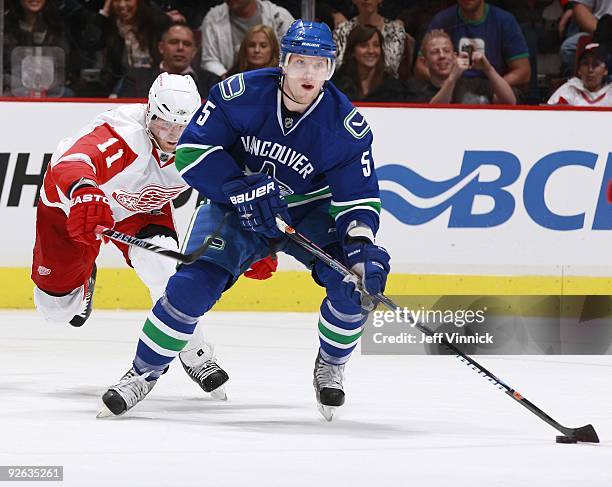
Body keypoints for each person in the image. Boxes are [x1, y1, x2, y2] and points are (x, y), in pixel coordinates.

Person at [99, 20, 391, 421]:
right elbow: (191, 153)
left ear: (330, 69)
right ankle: (143, 372)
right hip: (237, 205)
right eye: (300, 62)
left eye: (319, 64)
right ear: (284, 62)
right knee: (191, 286)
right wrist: (238, 186)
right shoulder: (239, 94)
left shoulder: (345, 128)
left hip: (308, 212)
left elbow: (357, 199)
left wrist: (361, 248)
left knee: (350, 286)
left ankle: (331, 364)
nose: (308, 73)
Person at [32, 73, 200, 329]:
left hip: (138, 204)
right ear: (150, 112)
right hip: (75, 205)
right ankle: (84, 277)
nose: (173, 135)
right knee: (56, 312)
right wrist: (84, 190)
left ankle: (179, 353)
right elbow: (71, 163)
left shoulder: (205, 138)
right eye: (165, 123)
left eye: (182, 125)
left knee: (163, 270)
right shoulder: (124, 132)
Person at [415, 0, 531, 91]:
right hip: (455, 84)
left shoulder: (505, 21)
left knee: (502, 96)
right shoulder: (442, 20)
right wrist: (445, 84)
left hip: (495, 84)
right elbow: (420, 66)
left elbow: (523, 71)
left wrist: (496, 84)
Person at [405, 29, 517, 104]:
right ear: (424, 62)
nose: (442, 56)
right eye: (435, 52)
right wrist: (453, 77)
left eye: (446, 50)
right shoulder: (415, 89)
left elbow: (510, 102)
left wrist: (488, 69)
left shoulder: (474, 85)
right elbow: (433, 116)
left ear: (454, 57)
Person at [82, 0, 170, 96]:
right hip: (123, 80)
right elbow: (90, 43)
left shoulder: (157, 22)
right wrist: (104, 13)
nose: (122, 5)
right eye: (117, 0)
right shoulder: (111, 24)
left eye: (128, 0)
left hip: (156, 77)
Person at [116, 22, 219, 97]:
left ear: (194, 51)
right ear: (161, 47)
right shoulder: (136, 78)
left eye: (187, 44)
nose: (180, 48)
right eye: (174, 42)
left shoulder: (211, 82)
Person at [199, 0, 294, 77]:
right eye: (252, 45)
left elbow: (293, 55)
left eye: (263, 45)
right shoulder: (212, 18)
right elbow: (209, 60)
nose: (257, 50)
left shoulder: (280, 16)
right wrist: (229, 82)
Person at [2, 0, 76, 96]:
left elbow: (63, 65)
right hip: (13, 90)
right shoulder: (5, 27)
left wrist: (48, 85)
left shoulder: (57, 27)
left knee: (68, 94)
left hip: (51, 90)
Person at [333, 0, 411, 77]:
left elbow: (391, 67)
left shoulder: (395, 30)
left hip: (386, 85)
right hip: (347, 83)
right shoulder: (342, 30)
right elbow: (337, 65)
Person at [332, 24, 406, 102]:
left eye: (376, 45)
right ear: (352, 51)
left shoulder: (392, 87)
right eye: (364, 45)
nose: (371, 51)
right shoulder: (338, 85)